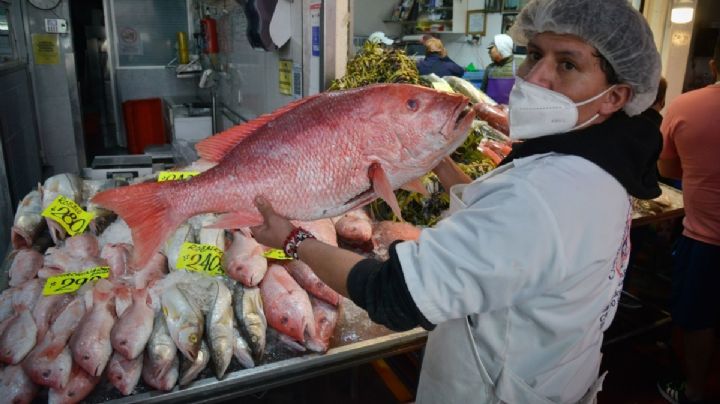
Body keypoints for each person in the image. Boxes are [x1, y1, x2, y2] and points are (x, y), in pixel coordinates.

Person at [251, 0, 662, 402]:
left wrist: (293, 240)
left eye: (568, 65)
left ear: (615, 96)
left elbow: (392, 295)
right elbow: (499, 220)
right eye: (534, 54)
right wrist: (431, 158)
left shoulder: (549, 196)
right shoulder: (600, 166)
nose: (536, 77)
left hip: (490, 389)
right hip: (553, 375)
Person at [656, 35, 720, 404]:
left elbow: (668, 167)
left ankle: (694, 391)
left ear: (713, 65)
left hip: (705, 238)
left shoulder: (686, 106)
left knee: (698, 318)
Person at [481, 33, 519, 104]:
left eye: (491, 48)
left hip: (510, 113)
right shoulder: (489, 69)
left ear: (501, 48)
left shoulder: (518, 70)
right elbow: (481, 94)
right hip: (490, 112)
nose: (489, 52)